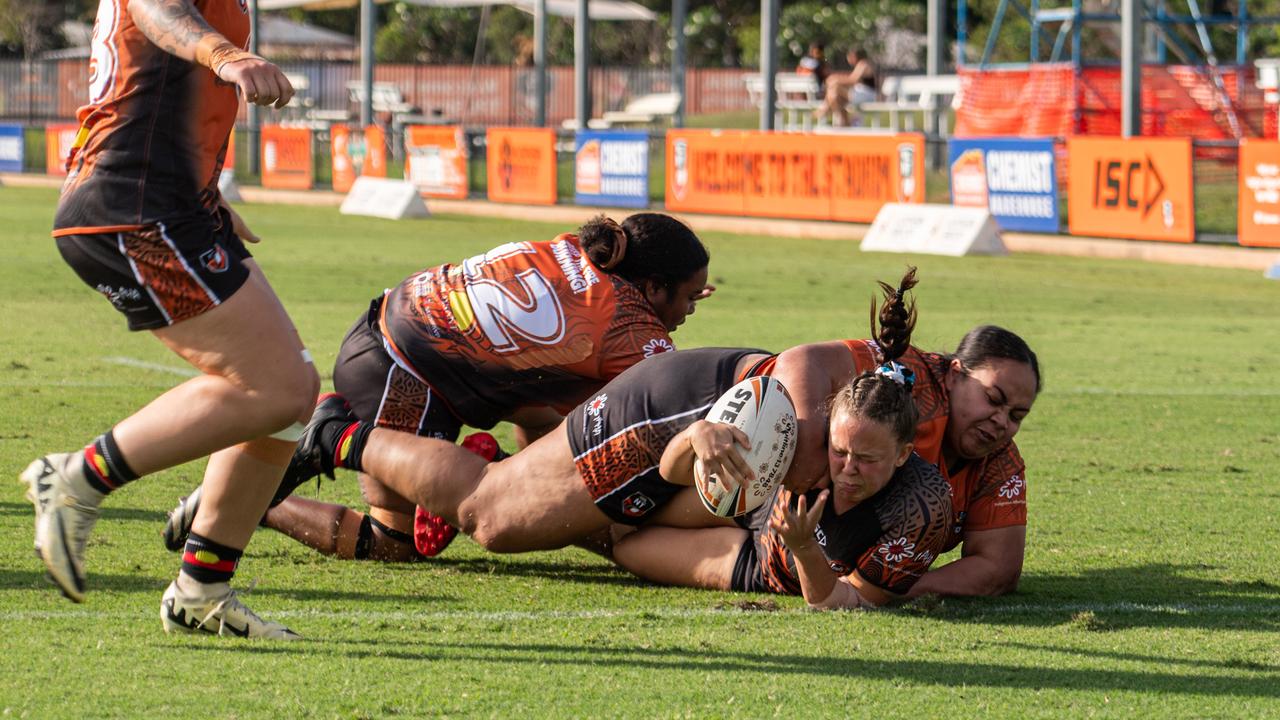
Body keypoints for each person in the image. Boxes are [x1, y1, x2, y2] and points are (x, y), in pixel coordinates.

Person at [162, 213, 713, 562]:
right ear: (652, 286)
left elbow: (551, 393)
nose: (690, 310)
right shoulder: (633, 329)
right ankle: (269, 485)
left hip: (385, 331)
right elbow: (652, 417)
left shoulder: (580, 249)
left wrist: (530, 475)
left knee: (553, 406)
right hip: (406, 372)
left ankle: (254, 488)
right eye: (687, 297)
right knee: (391, 544)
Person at [21, 0, 315, 639]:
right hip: (137, 208)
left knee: (290, 402)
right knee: (275, 389)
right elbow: (155, 9)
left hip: (170, 203)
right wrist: (228, 54)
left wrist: (203, 187)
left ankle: (202, 588)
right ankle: (74, 478)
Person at [612, 269, 954, 609]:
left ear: (902, 453)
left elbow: (845, 601)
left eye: (866, 459)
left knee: (628, 551)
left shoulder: (922, 506)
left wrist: (803, 546)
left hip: (766, 567)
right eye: (839, 451)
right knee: (620, 528)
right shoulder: (801, 437)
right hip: (758, 500)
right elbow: (672, 474)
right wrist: (695, 436)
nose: (848, 468)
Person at [757, 324, 1040, 597]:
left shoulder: (999, 461)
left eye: (1017, 416)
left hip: (765, 540)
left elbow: (999, 570)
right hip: (735, 401)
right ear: (955, 375)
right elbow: (800, 359)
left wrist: (887, 586)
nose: (1002, 421)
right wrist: (806, 458)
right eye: (992, 398)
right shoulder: (904, 374)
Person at [813, 47, 878, 127]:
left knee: (835, 88)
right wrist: (835, 80)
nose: (848, 59)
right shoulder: (860, 65)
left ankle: (826, 108)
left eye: (850, 56)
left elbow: (853, 80)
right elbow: (851, 80)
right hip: (860, 93)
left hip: (867, 95)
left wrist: (835, 80)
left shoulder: (864, 63)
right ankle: (844, 122)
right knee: (835, 97)